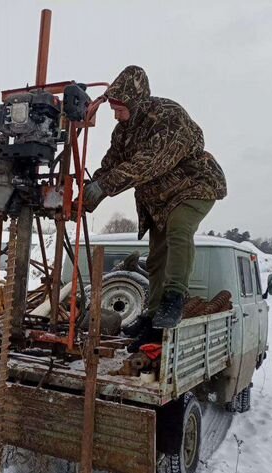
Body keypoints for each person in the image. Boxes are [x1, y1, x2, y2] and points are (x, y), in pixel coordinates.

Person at [82, 65, 227, 350]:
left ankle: (174, 299)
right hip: (159, 198)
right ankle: (152, 319)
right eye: (113, 108)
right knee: (157, 254)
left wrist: (105, 187)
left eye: (120, 108)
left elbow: (150, 162)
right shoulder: (123, 132)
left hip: (194, 186)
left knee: (178, 228)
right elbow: (112, 162)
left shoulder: (168, 117)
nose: (116, 114)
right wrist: (91, 190)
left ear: (136, 103)